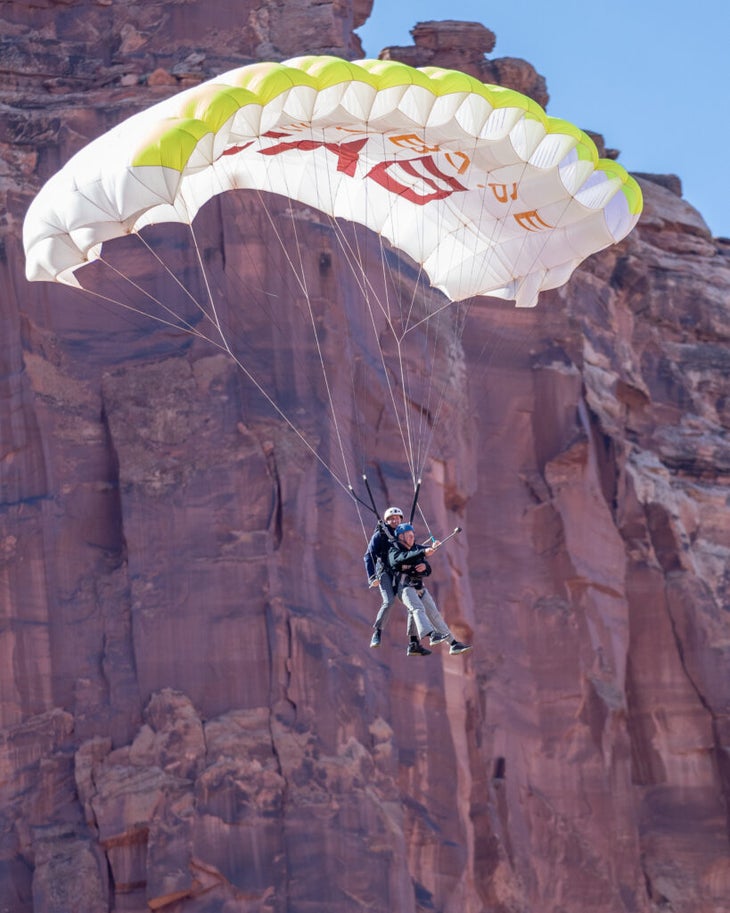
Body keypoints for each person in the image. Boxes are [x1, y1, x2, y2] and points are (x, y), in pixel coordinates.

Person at [388, 522, 471, 657]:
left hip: (419, 588)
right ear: (401, 537)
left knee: (434, 614)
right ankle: (430, 634)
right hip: (403, 588)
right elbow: (399, 559)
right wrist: (423, 551)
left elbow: (428, 569)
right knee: (417, 608)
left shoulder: (416, 548)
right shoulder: (394, 550)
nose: (412, 538)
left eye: (412, 535)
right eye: (408, 536)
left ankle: (453, 644)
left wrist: (424, 567)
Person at [364, 506, 416, 647]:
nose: (395, 521)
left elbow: (415, 550)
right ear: (386, 521)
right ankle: (377, 632)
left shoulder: (405, 533)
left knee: (413, 603)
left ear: (401, 519)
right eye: (391, 519)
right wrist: (372, 577)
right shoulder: (380, 535)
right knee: (389, 601)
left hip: (401, 572)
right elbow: (369, 556)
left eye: (397, 518)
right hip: (385, 572)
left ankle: (413, 641)